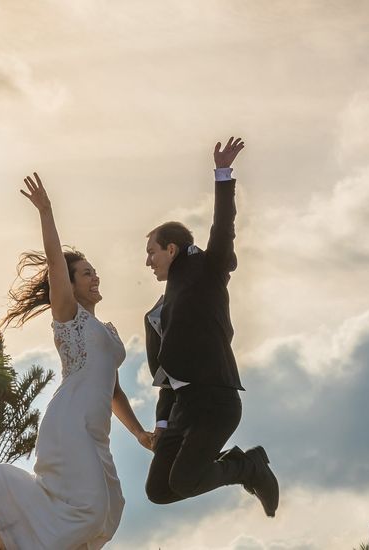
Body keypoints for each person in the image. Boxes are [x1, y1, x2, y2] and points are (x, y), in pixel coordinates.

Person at [0, 172, 153, 550]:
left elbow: (114, 388)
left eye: (94, 272)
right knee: (89, 511)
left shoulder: (107, 331)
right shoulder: (70, 318)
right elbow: (56, 263)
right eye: (86, 273)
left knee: (109, 511)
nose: (95, 277)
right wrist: (46, 212)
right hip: (69, 425)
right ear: (68, 286)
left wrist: (138, 433)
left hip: (96, 431)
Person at [142, 137, 279, 517]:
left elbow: (223, 230)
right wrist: (161, 424)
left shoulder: (206, 271)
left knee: (184, 481)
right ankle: (236, 464)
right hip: (182, 409)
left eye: (152, 252)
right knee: (159, 490)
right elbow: (165, 377)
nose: (148, 262)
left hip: (216, 401)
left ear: (172, 249)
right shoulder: (157, 313)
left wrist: (222, 175)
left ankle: (248, 466)